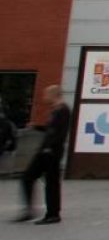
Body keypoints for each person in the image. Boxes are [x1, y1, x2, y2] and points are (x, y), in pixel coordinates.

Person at [15, 85, 70, 225]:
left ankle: (52, 214)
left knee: (50, 182)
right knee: (30, 177)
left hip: (51, 151)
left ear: (54, 95)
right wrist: (37, 127)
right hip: (46, 150)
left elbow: (60, 133)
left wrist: (50, 148)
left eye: (46, 94)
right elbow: (51, 129)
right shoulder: (56, 110)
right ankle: (31, 210)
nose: (44, 97)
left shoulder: (63, 110)